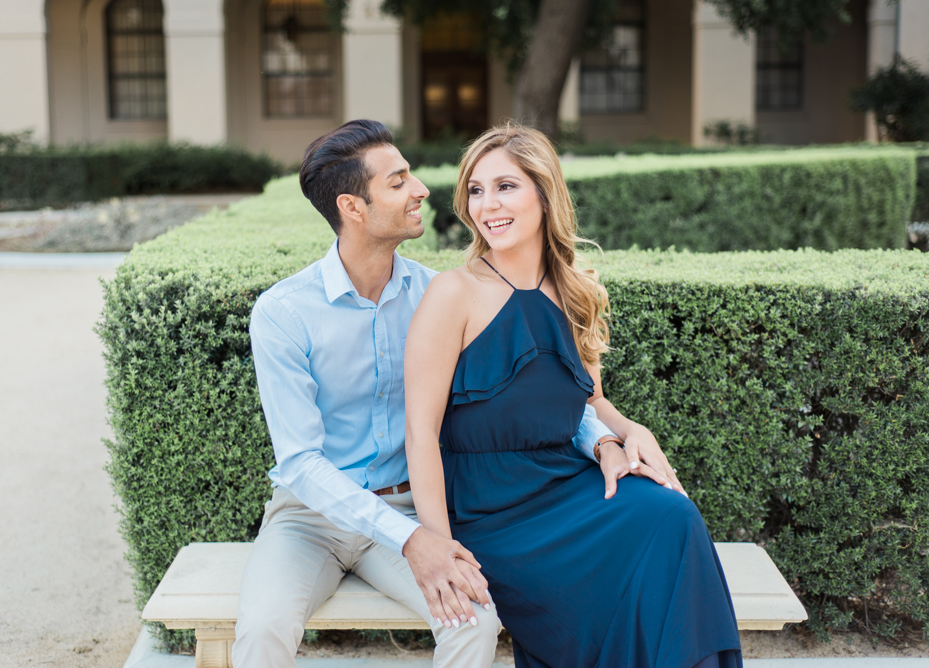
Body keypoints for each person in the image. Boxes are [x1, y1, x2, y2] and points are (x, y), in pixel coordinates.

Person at [234, 120, 684, 667]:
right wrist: (413, 542)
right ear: (353, 207)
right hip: (310, 518)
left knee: (473, 622)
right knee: (261, 630)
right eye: (399, 182)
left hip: (413, 506)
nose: (422, 189)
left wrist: (602, 440)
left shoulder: (438, 293)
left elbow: (530, 396)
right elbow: (301, 463)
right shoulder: (284, 313)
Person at [404, 123, 743, 668]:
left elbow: (590, 402)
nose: (488, 204)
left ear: (544, 193)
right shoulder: (453, 294)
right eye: (476, 189)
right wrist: (440, 546)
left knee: (672, 516)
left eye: (506, 187)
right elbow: (420, 433)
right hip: (490, 513)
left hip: (566, 484)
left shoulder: (575, 289)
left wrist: (627, 431)